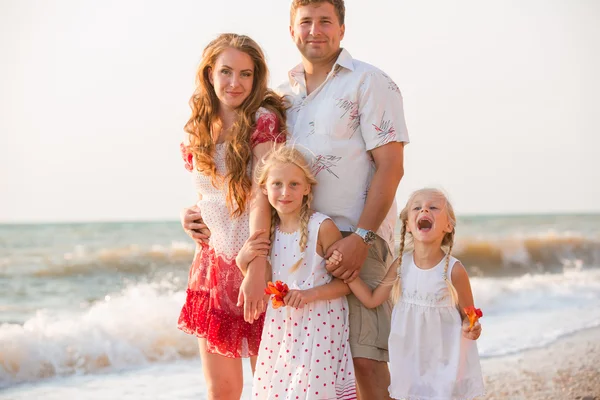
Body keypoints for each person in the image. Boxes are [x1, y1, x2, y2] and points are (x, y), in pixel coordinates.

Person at [182, 1, 409, 397]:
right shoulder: (282, 98)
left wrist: (362, 238)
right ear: (291, 31)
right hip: (292, 244)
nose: (315, 31)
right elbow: (245, 182)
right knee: (304, 373)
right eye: (306, 22)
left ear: (342, 28)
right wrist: (196, 214)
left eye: (325, 21)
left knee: (366, 365)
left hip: (355, 238)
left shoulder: (370, 82)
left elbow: (391, 168)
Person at [177, 33, 286, 400]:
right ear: (210, 74)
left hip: (255, 262)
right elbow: (207, 195)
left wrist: (256, 265)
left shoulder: (262, 121)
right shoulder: (197, 128)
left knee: (271, 387)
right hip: (210, 268)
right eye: (226, 72)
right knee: (221, 391)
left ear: (257, 79)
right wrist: (187, 215)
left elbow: (262, 194)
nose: (235, 83)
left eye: (245, 74)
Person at [237, 146, 357, 400]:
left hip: (321, 325)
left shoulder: (321, 227)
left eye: (294, 184)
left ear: (306, 188)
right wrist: (241, 262)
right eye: (277, 184)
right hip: (284, 329)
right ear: (264, 188)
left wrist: (310, 294)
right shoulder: (270, 234)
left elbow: (347, 284)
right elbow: (266, 283)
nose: (285, 192)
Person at [343, 188, 485, 399]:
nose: (424, 209)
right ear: (408, 225)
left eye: (433, 207)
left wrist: (471, 327)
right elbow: (372, 300)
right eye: (417, 207)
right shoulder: (401, 266)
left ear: (448, 225)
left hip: (444, 361)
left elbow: (468, 317)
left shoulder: (454, 271)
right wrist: (348, 274)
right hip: (409, 360)